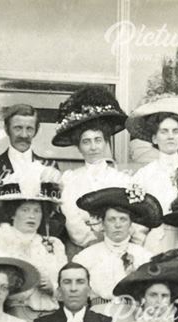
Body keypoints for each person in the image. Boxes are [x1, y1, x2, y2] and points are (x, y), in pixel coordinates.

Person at [125, 93, 178, 254]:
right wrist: (141, 248)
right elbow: (137, 218)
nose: (170, 136)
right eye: (164, 131)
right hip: (152, 243)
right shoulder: (143, 175)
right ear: (154, 138)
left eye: (175, 131)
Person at [54, 86, 133, 252]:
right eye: (86, 142)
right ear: (79, 147)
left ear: (106, 142)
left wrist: (112, 241)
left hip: (118, 245)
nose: (93, 147)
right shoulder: (70, 179)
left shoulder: (122, 179)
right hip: (81, 247)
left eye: (98, 140)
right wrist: (89, 241)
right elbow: (71, 217)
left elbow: (129, 214)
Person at [0, 180, 67, 319]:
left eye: (37, 210)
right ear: (12, 213)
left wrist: (52, 287)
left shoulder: (53, 245)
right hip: (17, 314)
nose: (32, 216)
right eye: (25, 210)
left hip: (52, 315)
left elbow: (65, 282)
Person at [71, 186, 160, 317]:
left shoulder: (145, 257)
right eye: (112, 219)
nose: (118, 225)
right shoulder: (85, 258)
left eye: (123, 219)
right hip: (98, 317)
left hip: (135, 317)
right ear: (102, 223)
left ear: (130, 224)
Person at [0, 104, 63, 236]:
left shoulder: (49, 167)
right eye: (18, 128)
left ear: (36, 131)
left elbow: (56, 213)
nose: (24, 135)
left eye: (29, 128)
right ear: (7, 129)